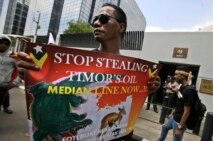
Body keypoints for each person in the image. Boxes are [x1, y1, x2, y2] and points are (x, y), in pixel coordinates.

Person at [17, 3, 161, 141]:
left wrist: (149, 88)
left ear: (121, 27)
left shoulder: (136, 70)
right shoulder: (72, 64)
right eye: (94, 21)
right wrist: (32, 73)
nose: (97, 23)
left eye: (103, 18)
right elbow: (51, 90)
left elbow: (132, 104)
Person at [157, 66, 196, 141]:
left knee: (176, 139)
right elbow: (179, 103)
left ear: (182, 75)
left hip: (179, 122)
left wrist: (179, 128)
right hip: (174, 117)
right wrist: (172, 113)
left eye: (176, 74)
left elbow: (187, 111)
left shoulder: (189, 91)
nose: (174, 77)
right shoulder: (181, 87)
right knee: (164, 127)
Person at [0, 35, 19, 114]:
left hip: (4, 84)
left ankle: (6, 107)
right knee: (5, 94)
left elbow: (21, 70)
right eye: (1, 42)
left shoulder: (13, 56)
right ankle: (6, 106)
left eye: (6, 43)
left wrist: (15, 82)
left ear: (9, 45)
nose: (3, 45)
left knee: (3, 93)